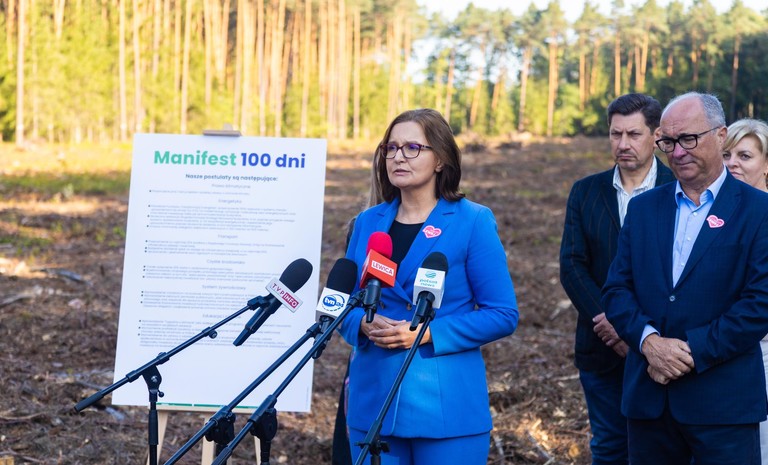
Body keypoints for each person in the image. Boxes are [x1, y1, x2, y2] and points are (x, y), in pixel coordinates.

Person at [338, 108, 519, 465]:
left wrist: (426, 333)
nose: (398, 157)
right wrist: (362, 323)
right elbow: (341, 305)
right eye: (391, 148)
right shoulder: (367, 223)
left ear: (440, 159)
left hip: (446, 411)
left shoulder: (472, 220)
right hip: (372, 406)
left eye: (412, 148)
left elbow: (502, 314)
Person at [602, 92, 768, 465]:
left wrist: (686, 353)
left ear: (721, 135)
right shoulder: (644, 208)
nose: (677, 152)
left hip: (724, 405)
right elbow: (616, 289)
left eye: (688, 139)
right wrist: (649, 343)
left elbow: (760, 303)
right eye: (668, 142)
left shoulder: (759, 211)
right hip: (650, 403)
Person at [560, 93, 675, 465]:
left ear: (657, 136)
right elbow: (572, 265)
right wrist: (612, 321)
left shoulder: (678, 188)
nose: (623, 143)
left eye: (634, 134)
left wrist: (640, 331)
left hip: (664, 345)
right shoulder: (585, 191)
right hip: (601, 346)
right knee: (609, 447)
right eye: (615, 134)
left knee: (663, 449)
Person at [721, 117, 768, 465]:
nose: (732, 163)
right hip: (720, 350)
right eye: (726, 155)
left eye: (745, 155)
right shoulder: (718, 213)